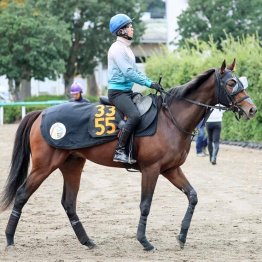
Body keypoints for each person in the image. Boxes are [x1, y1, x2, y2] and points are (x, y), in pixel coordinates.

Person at [107, 13, 162, 164]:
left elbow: (136, 71)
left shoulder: (127, 49)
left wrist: (151, 82)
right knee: (135, 116)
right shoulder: (117, 49)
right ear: (122, 30)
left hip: (127, 92)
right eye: (130, 26)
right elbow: (129, 72)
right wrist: (149, 84)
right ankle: (119, 151)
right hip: (117, 93)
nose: (133, 29)